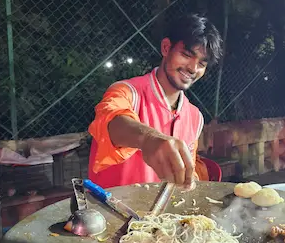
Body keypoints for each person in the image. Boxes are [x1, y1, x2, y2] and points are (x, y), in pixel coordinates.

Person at [88, 13, 222, 189]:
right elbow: (111, 122)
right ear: (166, 48)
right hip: (112, 212)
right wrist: (149, 139)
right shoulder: (127, 92)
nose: (192, 68)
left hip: (163, 216)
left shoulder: (195, 117)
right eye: (186, 54)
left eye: (202, 64)